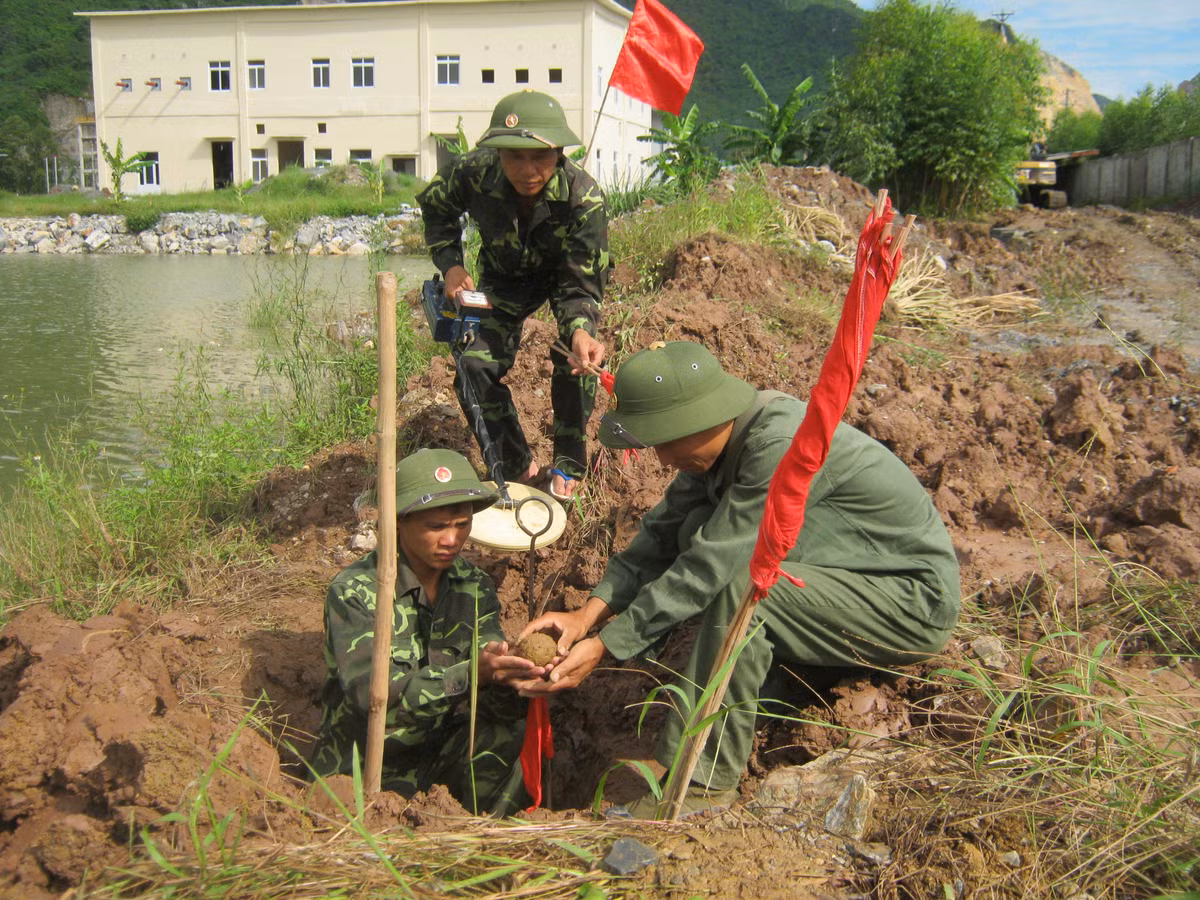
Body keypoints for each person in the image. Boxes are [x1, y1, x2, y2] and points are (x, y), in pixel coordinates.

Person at [518, 341, 961, 816]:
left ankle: (704, 786)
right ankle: (782, 676)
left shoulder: (776, 445)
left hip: (911, 602)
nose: (663, 460)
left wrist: (608, 645)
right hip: (853, 581)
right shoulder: (724, 440)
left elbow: (714, 565)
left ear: (697, 418)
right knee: (690, 529)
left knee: (749, 589)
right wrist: (587, 616)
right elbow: (661, 536)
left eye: (665, 442)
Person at [312, 448, 545, 815]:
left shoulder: (474, 586)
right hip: (365, 763)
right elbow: (371, 697)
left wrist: (511, 672)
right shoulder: (356, 591)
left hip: (440, 751)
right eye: (436, 527)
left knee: (511, 735)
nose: (452, 540)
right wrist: (469, 674)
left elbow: (489, 690)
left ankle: (486, 837)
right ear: (399, 522)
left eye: (461, 524)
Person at [417, 90, 610, 501]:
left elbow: (580, 282)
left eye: (539, 158)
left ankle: (568, 470)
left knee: (575, 363)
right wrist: (451, 264)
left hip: (562, 280)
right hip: (502, 280)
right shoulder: (473, 172)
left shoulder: (584, 199)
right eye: (514, 157)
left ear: (558, 153)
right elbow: (436, 207)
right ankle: (517, 468)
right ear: (498, 153)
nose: (527, 170)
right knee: (474, 364)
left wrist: (579, 330)